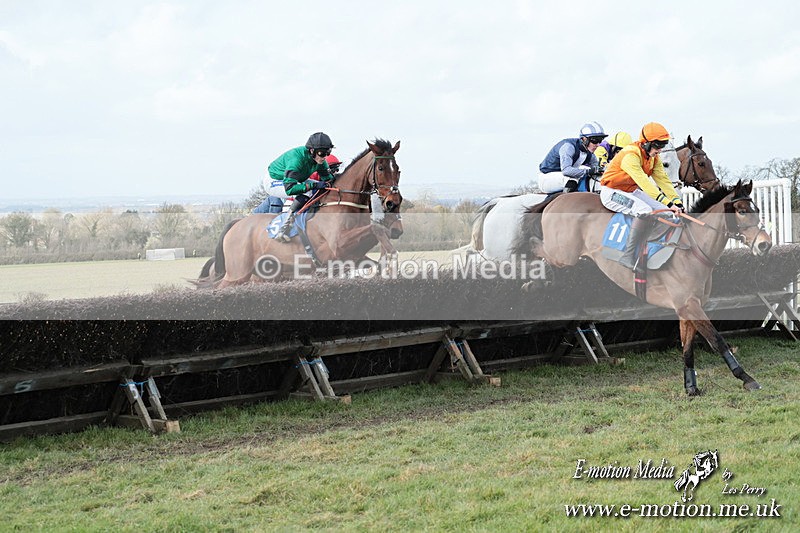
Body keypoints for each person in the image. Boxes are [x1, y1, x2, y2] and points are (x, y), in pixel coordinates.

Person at [599, 122, 684, 269]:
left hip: (631, 191)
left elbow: (663, 181)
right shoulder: (630, 155)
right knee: (644, 210)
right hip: (611, 191)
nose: (659, 150)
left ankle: (655, 245)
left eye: (662, 146)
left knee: (667, 211)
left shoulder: (653, 158)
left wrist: (676, 202)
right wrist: (670, 203)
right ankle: (628, 255)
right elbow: (645, 183)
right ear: (646, 143)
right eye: (657, 146)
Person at [270, 132, 336, 242]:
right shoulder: (296, 160)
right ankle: (283, 227)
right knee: (308, 190)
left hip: (294, 178)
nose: (324, 157)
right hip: (275, 180)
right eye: (321, 153)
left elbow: (329, 181)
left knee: (318, 188)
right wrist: (313, 185)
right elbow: (290, 189)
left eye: (327, 153)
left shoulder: (320, 161)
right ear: (311, 150)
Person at [253, 154, 342, 214]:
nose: (335, 172)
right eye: (333, 169)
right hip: (277, 201)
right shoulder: (311, 176)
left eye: (337, 169)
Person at [539, 122, 608, 194]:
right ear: (584, 139)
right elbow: (566, 171)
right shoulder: (568, 147)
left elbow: (596, 169)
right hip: (546, 178)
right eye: (595, 141)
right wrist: (589, 171)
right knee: (573, 178)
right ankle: (565, 202)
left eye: (600, 141)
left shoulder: (590, 154)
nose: (598, 145)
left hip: (561, 177)